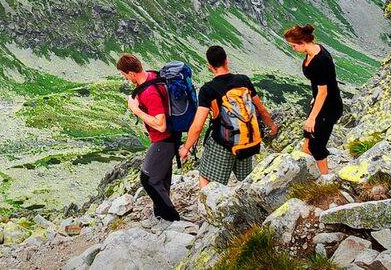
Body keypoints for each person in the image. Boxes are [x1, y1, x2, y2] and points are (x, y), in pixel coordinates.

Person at [178, 44, 277, 187]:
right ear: (226, 60)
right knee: (246, 182)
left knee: (206, 179)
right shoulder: (243, 80)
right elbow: (261, 109)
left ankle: (210, 207)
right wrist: (272, 126)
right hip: (246, 140)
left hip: (222, 143)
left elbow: (198, 125)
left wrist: (186, 148)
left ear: (209, 66)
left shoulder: (208, 89)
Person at [116, 53, 179, 221]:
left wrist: (135, 110)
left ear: (131, 73)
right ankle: (161, 216)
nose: (124, 78)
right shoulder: (151, 76)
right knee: (161, 177)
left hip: (164, 138)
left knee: (148, 178)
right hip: (171, 136)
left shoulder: (149, 92)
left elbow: (160, 124)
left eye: (124, 75)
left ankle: (172, 217)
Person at [283, 23, 345, 175]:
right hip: (321, 101)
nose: (293, 49)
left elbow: (323, 91)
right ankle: (309, 174)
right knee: (307, 138)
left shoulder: (321, 59)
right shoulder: (312, 51)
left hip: (330, 106)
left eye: (293, 46)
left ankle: (326, 179)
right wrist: (314, 96)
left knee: (317, 145)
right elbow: (320, 83)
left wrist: (311, 118)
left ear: (302, 42)